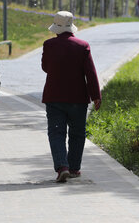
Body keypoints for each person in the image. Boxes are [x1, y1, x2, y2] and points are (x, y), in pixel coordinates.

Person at [41, 11, 102, 183]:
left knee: (56, 133)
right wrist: (96, 95)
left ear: (56, 28)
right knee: (77, 133)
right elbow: (90, 73)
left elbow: (46, 67)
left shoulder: (49, 45)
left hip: (54, 97)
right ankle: (74, 168)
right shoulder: (83, 46)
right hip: (78, 98)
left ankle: (62, 167)